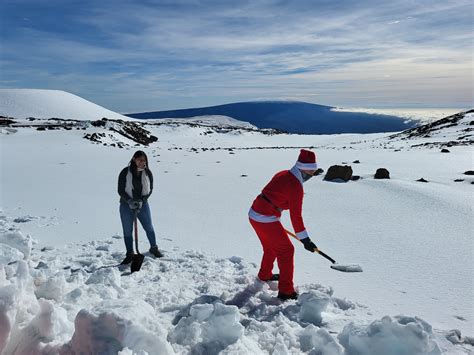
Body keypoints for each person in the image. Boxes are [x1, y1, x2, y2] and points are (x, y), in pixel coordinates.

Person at [249, 149, 318, 300]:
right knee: (286, 250)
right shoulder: (296, 186)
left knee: (271, 247)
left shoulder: (283, 173)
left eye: (314, 171)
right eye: (311, 171)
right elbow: (296, 217)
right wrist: (306, 240)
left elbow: (275, 194)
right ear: (302, 167)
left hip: (255, 213)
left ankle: (264, 275)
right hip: (265, 217)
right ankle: (286, 291)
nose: (312, 175)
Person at [118, 150, 163, 264]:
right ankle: (130, 254)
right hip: (126, 206)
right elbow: (120, 190)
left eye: (144, 160)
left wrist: (142, 201)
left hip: (142, 206)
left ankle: (154, 248)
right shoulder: (125, 172)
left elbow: (150, 189)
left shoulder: (148, 173)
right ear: (134, 159)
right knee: (127, 231)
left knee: (149, 227)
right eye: (140, 160)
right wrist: (129, 201)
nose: (143, 162)